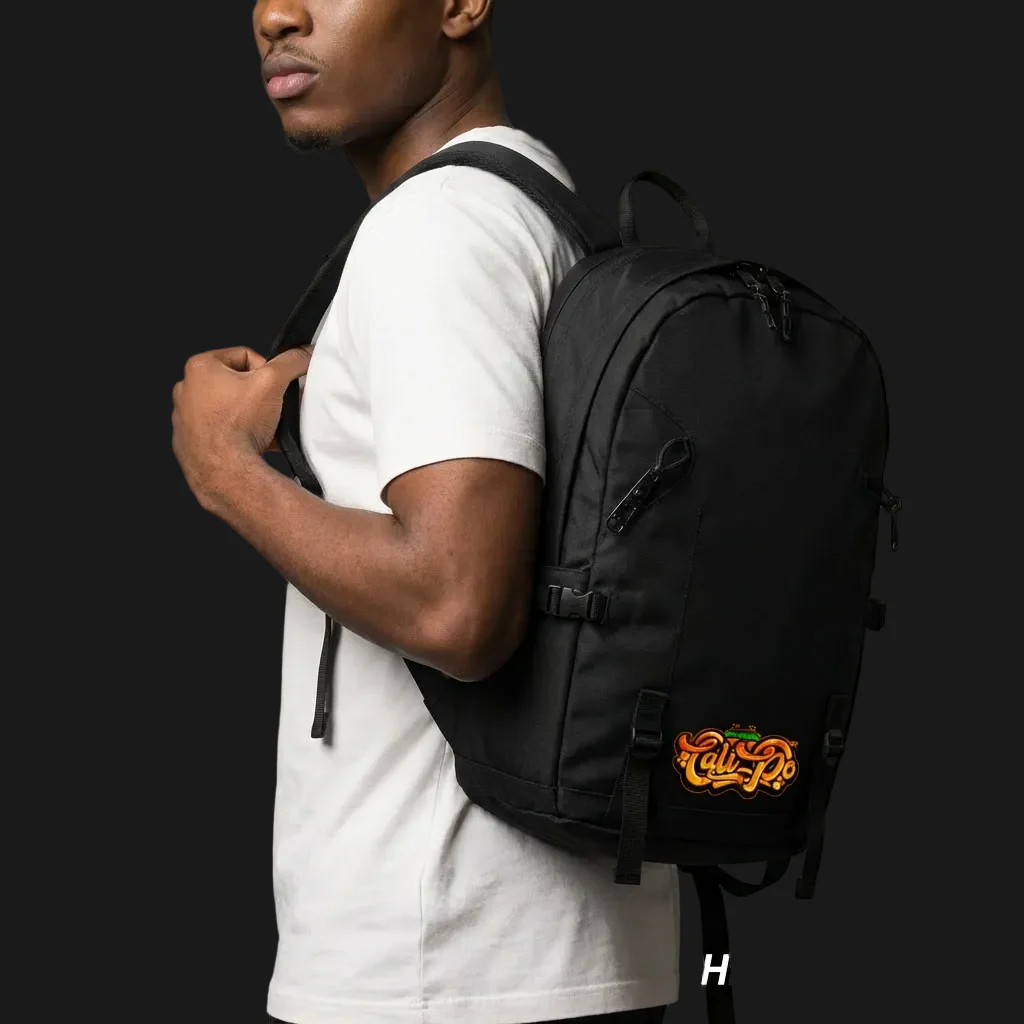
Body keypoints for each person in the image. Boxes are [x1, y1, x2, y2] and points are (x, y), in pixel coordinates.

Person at [170, 2, 680, 1021]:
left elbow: (458, 606)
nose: (275, 15)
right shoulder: (537, 210)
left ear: (459, 6)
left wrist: (223, 468)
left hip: (444, 962)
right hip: (547, 949)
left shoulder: (436, 229)